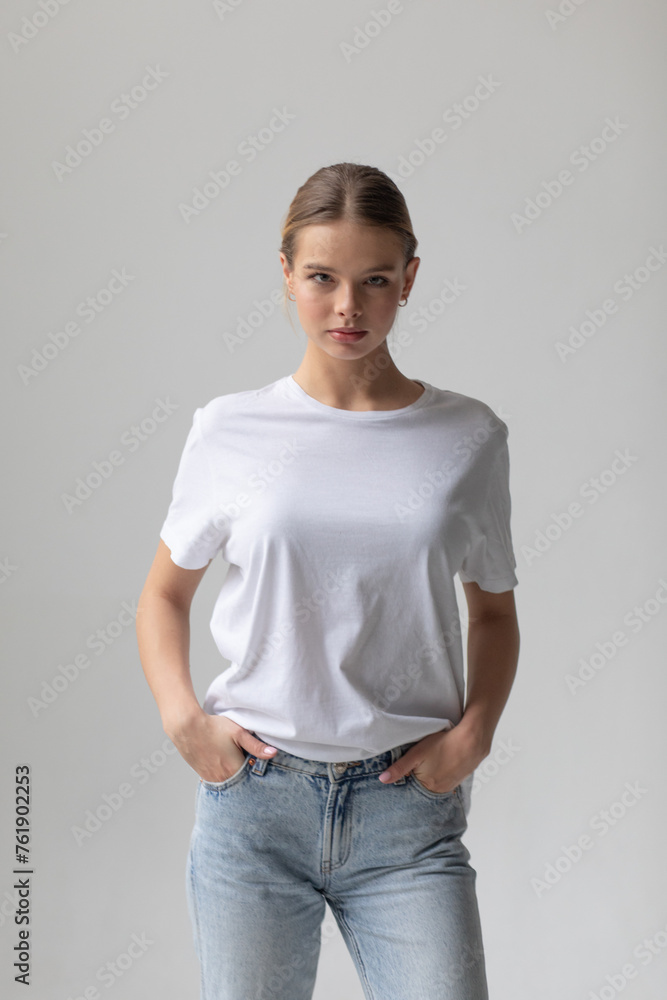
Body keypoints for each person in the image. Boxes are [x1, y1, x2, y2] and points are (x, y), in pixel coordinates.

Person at [136, 161, 520, 1000]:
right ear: (285, 274)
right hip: (254, 808)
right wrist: (183, 721)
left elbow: (492, 611)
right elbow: (165, 593)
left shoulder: (467, 435)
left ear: (408, 280)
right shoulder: (229, 429)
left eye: (374, 280)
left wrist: (475, 733)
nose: (348, 307)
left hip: (405, 814)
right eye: (322, 278)